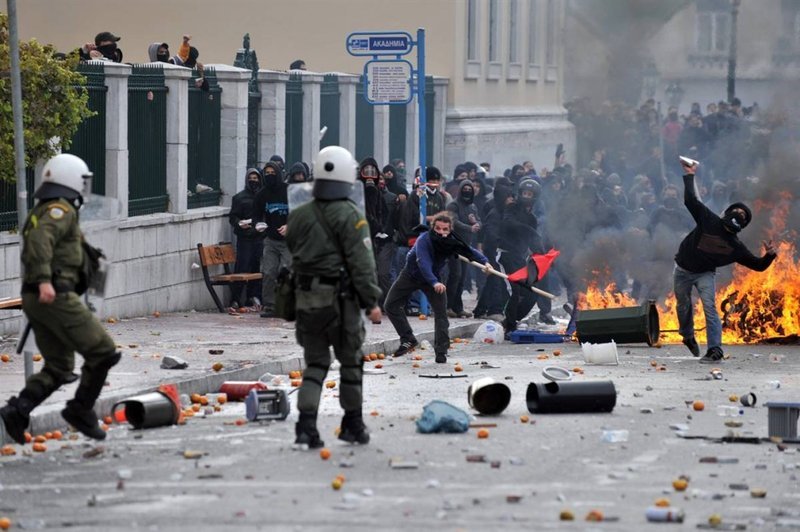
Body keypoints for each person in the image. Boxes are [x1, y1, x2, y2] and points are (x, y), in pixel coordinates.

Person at [0, 154, 120, 444]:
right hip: (53, 295)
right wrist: (44, 281)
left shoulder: (47, 208)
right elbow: (41, 241)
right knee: (103, 350)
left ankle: (17, 410)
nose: (84, 189)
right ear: (70, 180)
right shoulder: (59, 209)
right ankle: (80, 409)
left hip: (37, 298)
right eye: (83, 182)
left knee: (60, 366)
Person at [286, 146, 382, 448]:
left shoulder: (299, 214)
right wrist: (372, 302)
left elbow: (291, 245)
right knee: (351, 363)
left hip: (305, 300)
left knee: (315, 364)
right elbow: (362, 265)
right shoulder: (352, 216)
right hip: (342, 303)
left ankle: (306, 428)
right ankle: (352, 423)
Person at [674, 159, 777, 363]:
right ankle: (687, 336)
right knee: (682, 305)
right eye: (737, 211)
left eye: (743, 216)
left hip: (705, 274)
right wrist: (689, 175)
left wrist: (770, 255)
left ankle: (715, 350)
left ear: (743, 225)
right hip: (682, 269)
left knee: (710, 307)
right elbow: (690, 201)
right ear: (728, 213)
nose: (739, 215)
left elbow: (758, 266)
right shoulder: (709, 219)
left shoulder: (736, 247)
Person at [385, 213, 490, 363]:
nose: (441, 232)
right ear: (433, 228)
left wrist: (485, 262)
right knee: (390, 305)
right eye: (438, 228)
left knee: (441, 314)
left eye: (445, 229)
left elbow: (468, 251)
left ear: (450, 229)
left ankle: (441, 351)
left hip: (434, 278)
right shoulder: (424, 239)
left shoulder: (451, 241)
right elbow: (424, 263)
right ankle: (408, 339)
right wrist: (434, 282)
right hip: (412, 275)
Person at [252, 161, 291, 318]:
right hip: (270, 239)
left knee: (285, 270)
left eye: (272, 173)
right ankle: (270, 305)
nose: (269, 176)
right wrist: (258, 225)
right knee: (268, 271)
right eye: (266, 173)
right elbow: (256, 215)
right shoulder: (262, 194)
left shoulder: (288, 191)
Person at [228, 168, 265, 310]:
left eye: (256, 178)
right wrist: (239, 223)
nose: (253, 181)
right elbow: (233, 217)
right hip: (244, 239)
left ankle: (253, 297)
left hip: (259, 237)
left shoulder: (263, 196)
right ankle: (236, 299)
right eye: (251, 178)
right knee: (242, 267)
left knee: (257, 267)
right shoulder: (239, 198)